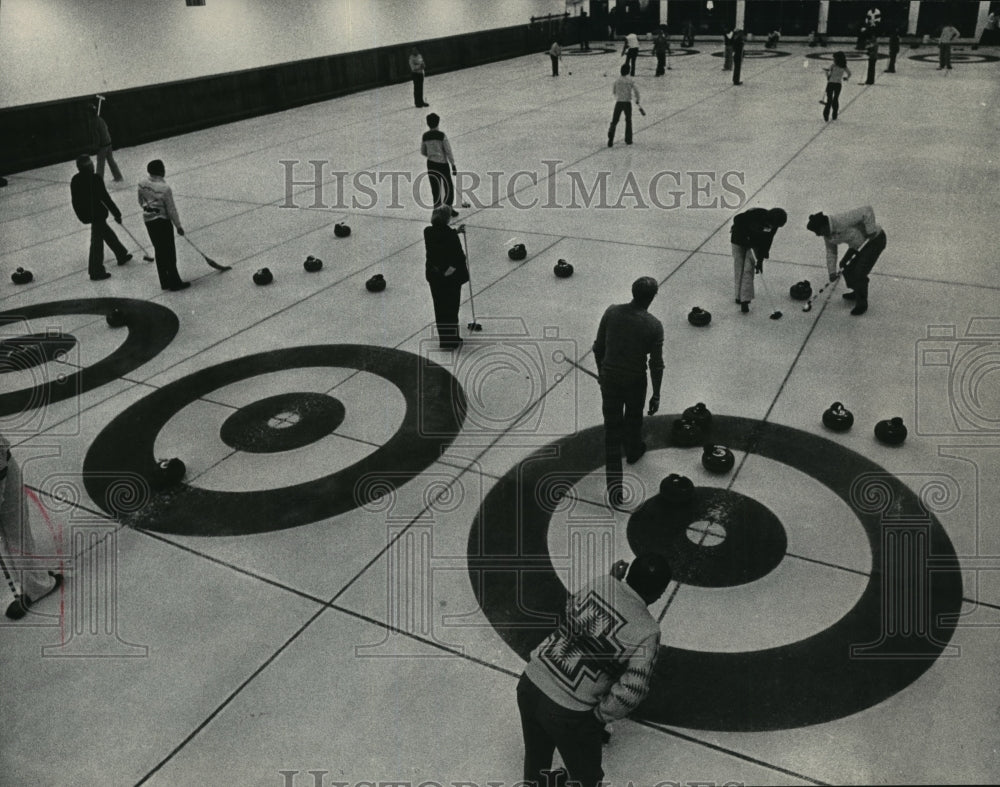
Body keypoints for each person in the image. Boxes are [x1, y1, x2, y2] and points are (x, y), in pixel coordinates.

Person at [517, 553, 672, 787]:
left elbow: (571, 609)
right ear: (660, 594)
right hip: (568, 712)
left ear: (628, 572)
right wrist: (599, 717)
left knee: (536, 760)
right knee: (588, 779)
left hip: (530, 682)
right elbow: (632, 691)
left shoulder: (602, 583)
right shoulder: (648, 632)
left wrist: (611, 582)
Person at [592, 277, 663, 506]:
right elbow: (656, 364)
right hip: (635, 382)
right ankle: (633, 451)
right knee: (633, 419)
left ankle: (615, 491)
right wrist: (656, 393)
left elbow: (598, 347)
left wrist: (602, 373)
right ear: (652, 297)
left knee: (612, 434)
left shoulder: (612, 312)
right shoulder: (653, 325)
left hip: (610, 380)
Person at [2, 433, 63, 620]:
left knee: (16, 534)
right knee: (12, 535)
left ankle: (36, 585)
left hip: (2, 477)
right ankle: (34, 582)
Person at [807, 207, 886, 316]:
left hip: (874, 241)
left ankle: (862, 303)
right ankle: (857, 290)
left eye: (817, 231)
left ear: (824, 226)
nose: (817, 235)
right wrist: (831, 272)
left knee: (860, 273)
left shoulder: (841, 219)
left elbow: (867, 210)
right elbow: (831, 252)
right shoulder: (827, 235)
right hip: (857, 245)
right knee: (844, 265)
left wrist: (870, 230)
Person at [70, 154, 132, 281]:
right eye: (91, 164)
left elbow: (75, 201)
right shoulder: (95, 179)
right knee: (97, 242)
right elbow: (105, 198)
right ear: (88, 167)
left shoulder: (75, 180)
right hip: (97, 214)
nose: (93, 166)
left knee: (105, 232)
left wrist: (82, 215)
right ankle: (96, 270)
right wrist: (117, 213)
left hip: (86, 214)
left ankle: (121, 253)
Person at [137, 159, 189, 291]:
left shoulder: (142, 184)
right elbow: (171, 209)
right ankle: (174, 281)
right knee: (169, 252)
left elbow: (140, 201)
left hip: (149, 221)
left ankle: (164, 281)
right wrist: (178, 226)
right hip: (162, 222)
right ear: (161, 171)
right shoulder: (165, 189)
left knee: (159, 250)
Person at [423, 206, 469, 350]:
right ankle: (452, 339)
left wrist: (455, 232)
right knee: (451, 307)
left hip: (434, 276)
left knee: (440, 307)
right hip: (450, 278)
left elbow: (440, 238)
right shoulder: (450, 235)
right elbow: (458, 257)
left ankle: (445, 339)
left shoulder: (428, 232)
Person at [730, 208, 787, 313]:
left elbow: (768, 241)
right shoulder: (756, 214)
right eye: (772, 224)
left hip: (755, 245)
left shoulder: (774, 225)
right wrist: (745, 235)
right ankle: (738, 296)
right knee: (739, 267)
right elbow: (737, 219)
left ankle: (745, 300)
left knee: (748, 269)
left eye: (776, 226)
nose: (773, 227)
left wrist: (760, 260)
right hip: (738, 240)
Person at [421, 113, 458, 217]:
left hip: (431, 164)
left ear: (428, 123)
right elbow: (448, 150)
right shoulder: (441, 135)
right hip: (442, 164)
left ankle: (437, 212)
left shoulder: (425, 136)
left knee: (435, 189)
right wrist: (453, 164)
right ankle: (448, 209)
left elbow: (423, 151)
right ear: (438, 122)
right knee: (448, 188)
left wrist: (432, 155)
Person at [86, 102, 123, 183]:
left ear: (89, 113)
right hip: (108, 142)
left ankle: (99, 181)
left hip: (103, 145)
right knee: (111, 161)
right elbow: (106, 128)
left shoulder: (93, 122)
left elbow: (96, 136)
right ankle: (118, 177)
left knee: (100, 163)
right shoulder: (100, 119)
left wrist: (95, 147)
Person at [607, 63, 641, 148]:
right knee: (628, 120)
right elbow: (636, 91)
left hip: (619, 102)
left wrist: (619, 96)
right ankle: (628, 139)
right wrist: (637, 99)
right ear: (628, 71)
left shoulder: (617, 80)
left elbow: (614, 91)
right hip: (627, 103)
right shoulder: (630, 80)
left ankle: (611, 135)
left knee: (614, 120)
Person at [823, 51, 852, 121]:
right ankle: (834, 114)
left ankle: (826, 114)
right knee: (836, 99)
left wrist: (827, 75)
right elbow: (849, 73)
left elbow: (827, 72)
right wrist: (846, 78)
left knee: (829, 99)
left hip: (831, 83)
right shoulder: (844, 66)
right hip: (838, 84)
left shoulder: (833, 65)